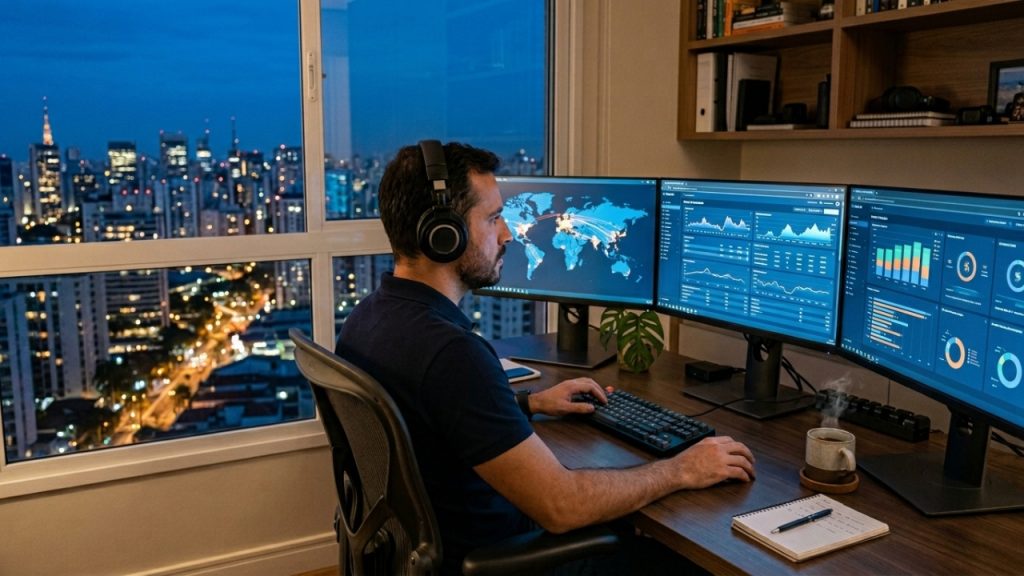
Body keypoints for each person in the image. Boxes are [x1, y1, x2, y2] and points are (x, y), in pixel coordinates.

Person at [335, 140, 756, 575]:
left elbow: (430, 421)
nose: (508, 233)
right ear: (443, 234)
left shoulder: (366, 321)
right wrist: (680, 469)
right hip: (497, 560)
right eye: (494, 218)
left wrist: (530, 403)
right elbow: (562, 506)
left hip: (425, 548)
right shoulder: (452, 354)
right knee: (683, 557)